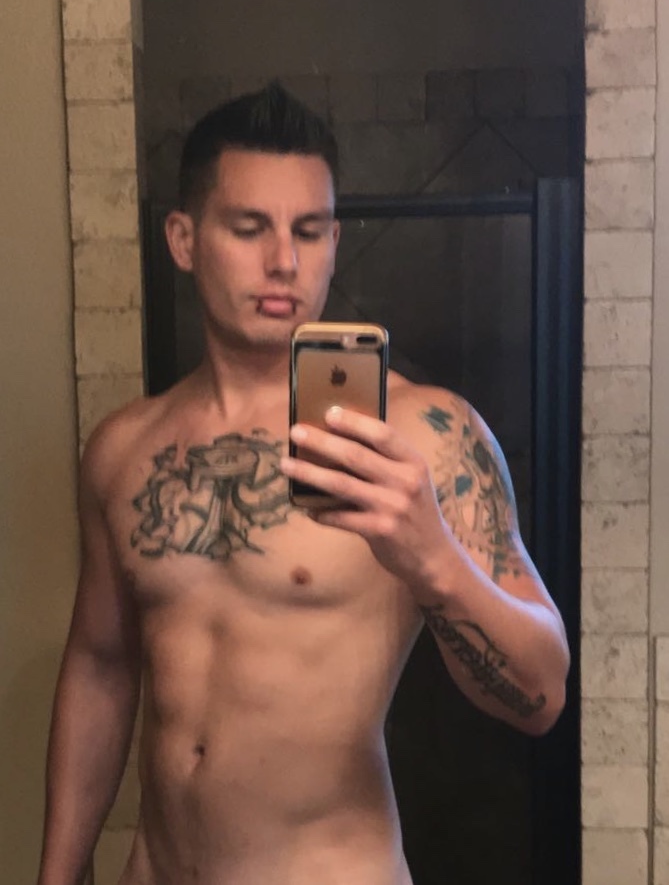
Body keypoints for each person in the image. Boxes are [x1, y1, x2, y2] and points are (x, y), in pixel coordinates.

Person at [37, 82, 569, 885]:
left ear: (333, 240)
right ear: (183, 239)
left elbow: (540, 693)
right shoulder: (124, 449)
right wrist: (57, 874)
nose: (283, 260)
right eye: (248, 227)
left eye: (309, 230)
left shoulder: (424, 434)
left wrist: (432, 559)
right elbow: (101, 665)